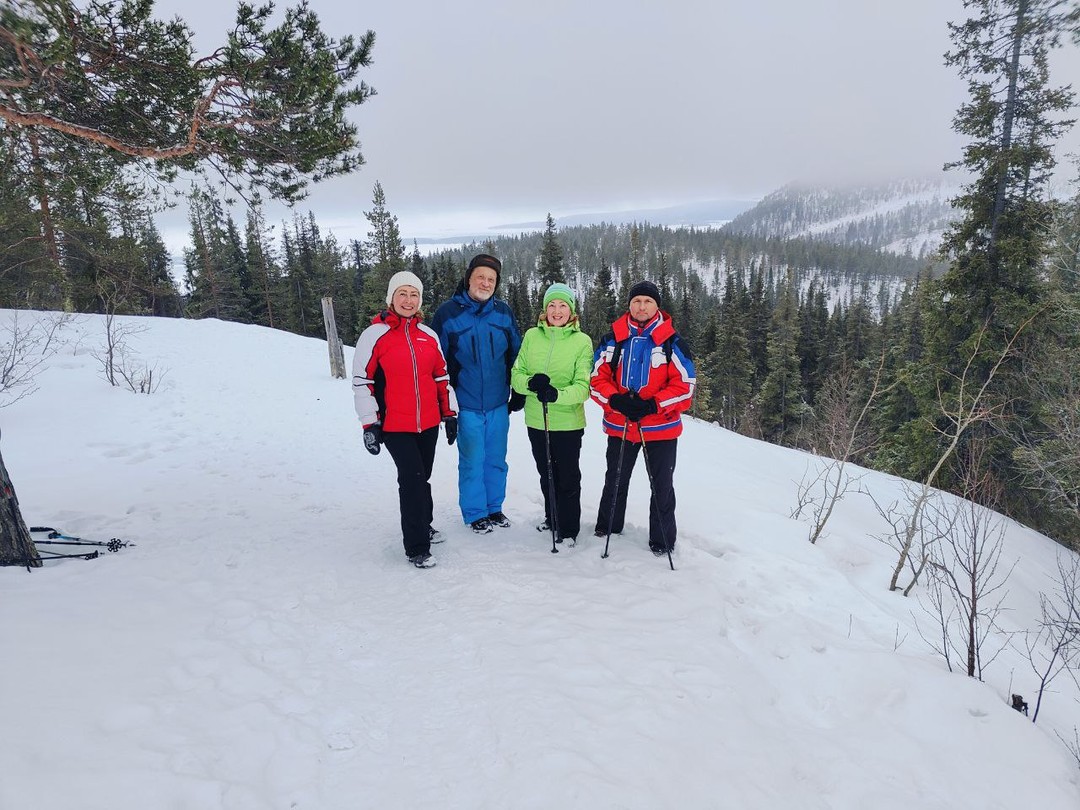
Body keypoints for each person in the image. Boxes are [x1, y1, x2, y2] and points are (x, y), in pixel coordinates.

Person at [353, 271, 457, 569]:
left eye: (414, 295)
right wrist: (369, 423)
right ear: (391, 298)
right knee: (411, 479)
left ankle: (425, 523)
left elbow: (441, 377)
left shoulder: (428, 335)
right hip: (394, 424)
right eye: (403, 294)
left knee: (422, 476)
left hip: (428, 422)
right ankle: (416, 547)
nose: (408, 300)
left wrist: (449, 414)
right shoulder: (375, 335)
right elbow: (363, 381)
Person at [590, 281, 695, 556]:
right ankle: (607, 528)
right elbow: (595, 379)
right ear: (629, 305)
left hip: (660, 428)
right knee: (615, 479)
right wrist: (615, 399)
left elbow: (685, 386)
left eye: (647, 301)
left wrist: (653, 405)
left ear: (656, 306)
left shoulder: (671, 340)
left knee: (661, 486)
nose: (641, 306)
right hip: (620, 424)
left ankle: (662, 541)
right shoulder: (614, 338)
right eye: (636, 301)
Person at [430, 253, 523, 534]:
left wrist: (518, 391)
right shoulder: (448, 314)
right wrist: (446, 409)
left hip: (498, 403)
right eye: (480, 276)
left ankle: (494, 508)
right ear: (468, 278)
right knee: (472, 460)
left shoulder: (503, 313)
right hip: (466, 404)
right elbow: (437, 365)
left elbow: (517, 355)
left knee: (496, 459)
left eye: (491, 279)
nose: (485, 283)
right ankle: (475, 513)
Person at [510, 283, 594, 546]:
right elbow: (516, 374)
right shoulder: (532, 336)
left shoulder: (582, 341)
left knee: (567, 477)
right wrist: (530, 384)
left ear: (572, 311)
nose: (557, 311)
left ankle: (568, 530)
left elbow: (583, 387)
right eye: (552, 305)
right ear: (545, 310)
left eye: (563, 306)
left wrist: (556, 394)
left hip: (567, 422)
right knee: (546, 473)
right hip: (537, 420)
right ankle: (552, 517)